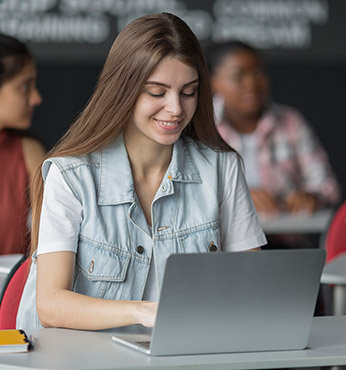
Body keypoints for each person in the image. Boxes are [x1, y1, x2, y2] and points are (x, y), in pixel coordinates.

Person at [17, 13, 267, 332]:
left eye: (188, 92)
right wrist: (142, 312)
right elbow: (51, 305)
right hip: (83, 359)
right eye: (157, 92)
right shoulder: (71, 175)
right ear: (124, 89)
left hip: (184, 353)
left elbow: (258, 286)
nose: (176, 108)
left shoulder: (222, 167)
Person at [210, 41, 340, 219]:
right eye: (238, 76)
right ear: (213, 83)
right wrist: (237, 197)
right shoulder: (201, 126)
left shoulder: (290, 122)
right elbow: (188, 192)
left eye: (257, 73)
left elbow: (327, 185)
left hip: (283, 241)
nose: (251, 83)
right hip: (221, 243)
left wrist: (311, 197)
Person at [0, 32, 45, 328]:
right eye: (24, 87)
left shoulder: (31, 153)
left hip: (12, 316)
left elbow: (48, 247)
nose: (36, 98)